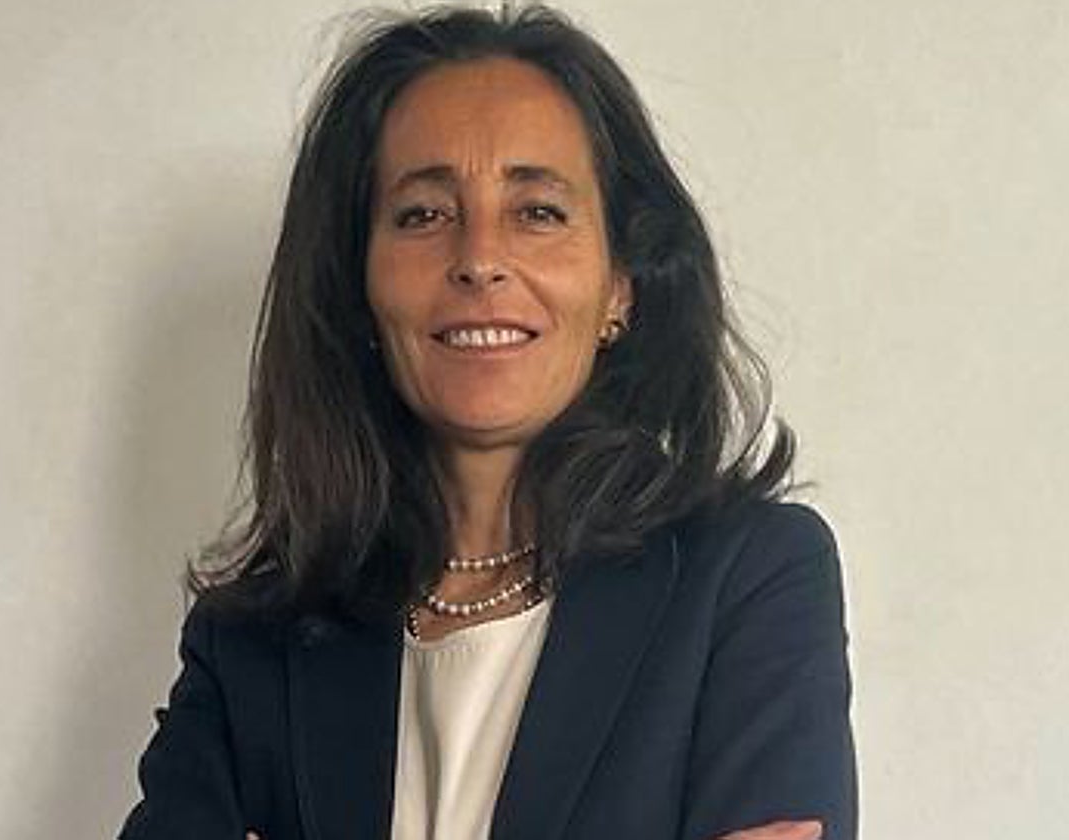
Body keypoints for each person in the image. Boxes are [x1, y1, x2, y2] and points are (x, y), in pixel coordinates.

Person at [118, 4, 856, 839]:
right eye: (423, 214)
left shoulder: (747, 579)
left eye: (537, 211)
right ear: (359, 284)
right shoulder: (253, 641)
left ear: (621, 284)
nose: (478, 260)